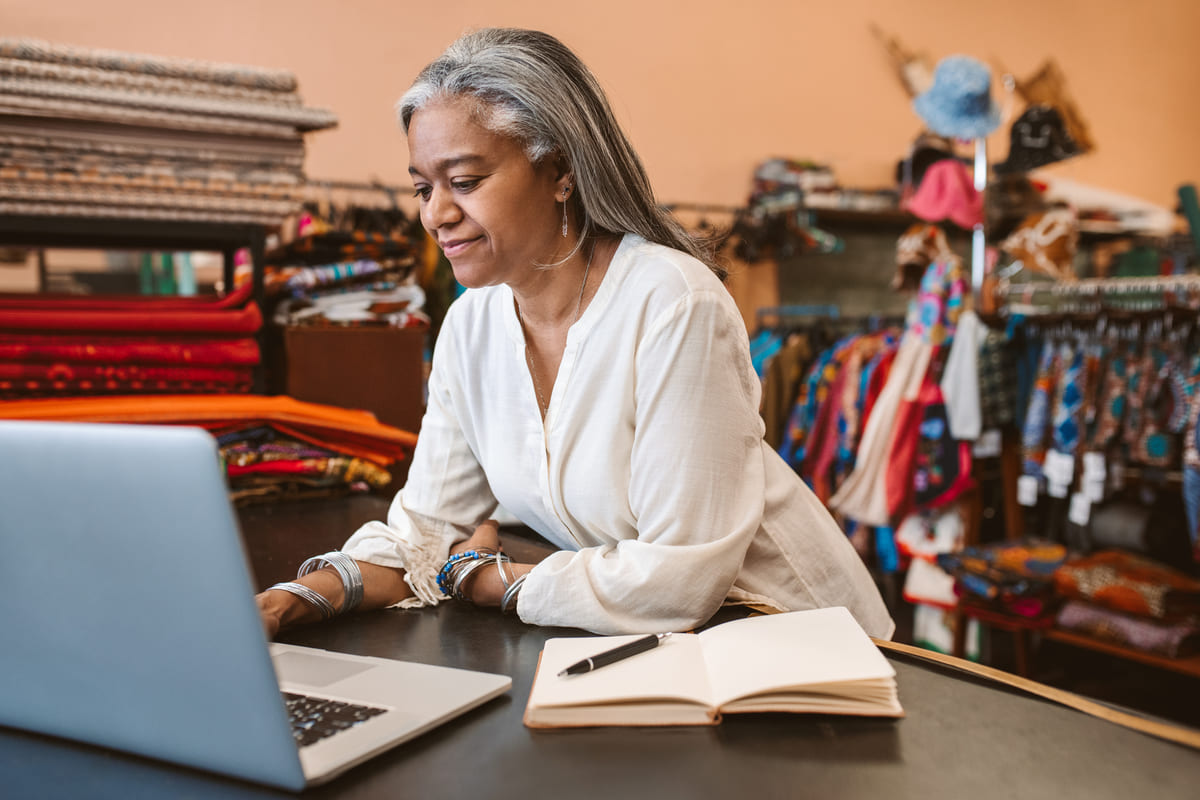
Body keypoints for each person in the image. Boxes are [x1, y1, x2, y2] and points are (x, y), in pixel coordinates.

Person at [256, 27, 894, 639]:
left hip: (795, 639)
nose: (435, 214)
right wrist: (292, 602)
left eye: (466, 182)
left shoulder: (673, 303)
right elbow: (423, 534)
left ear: (559, 169)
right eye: (423, 188)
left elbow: (678, 579)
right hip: (661, 645)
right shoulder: (471, 326)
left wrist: (488, 581)